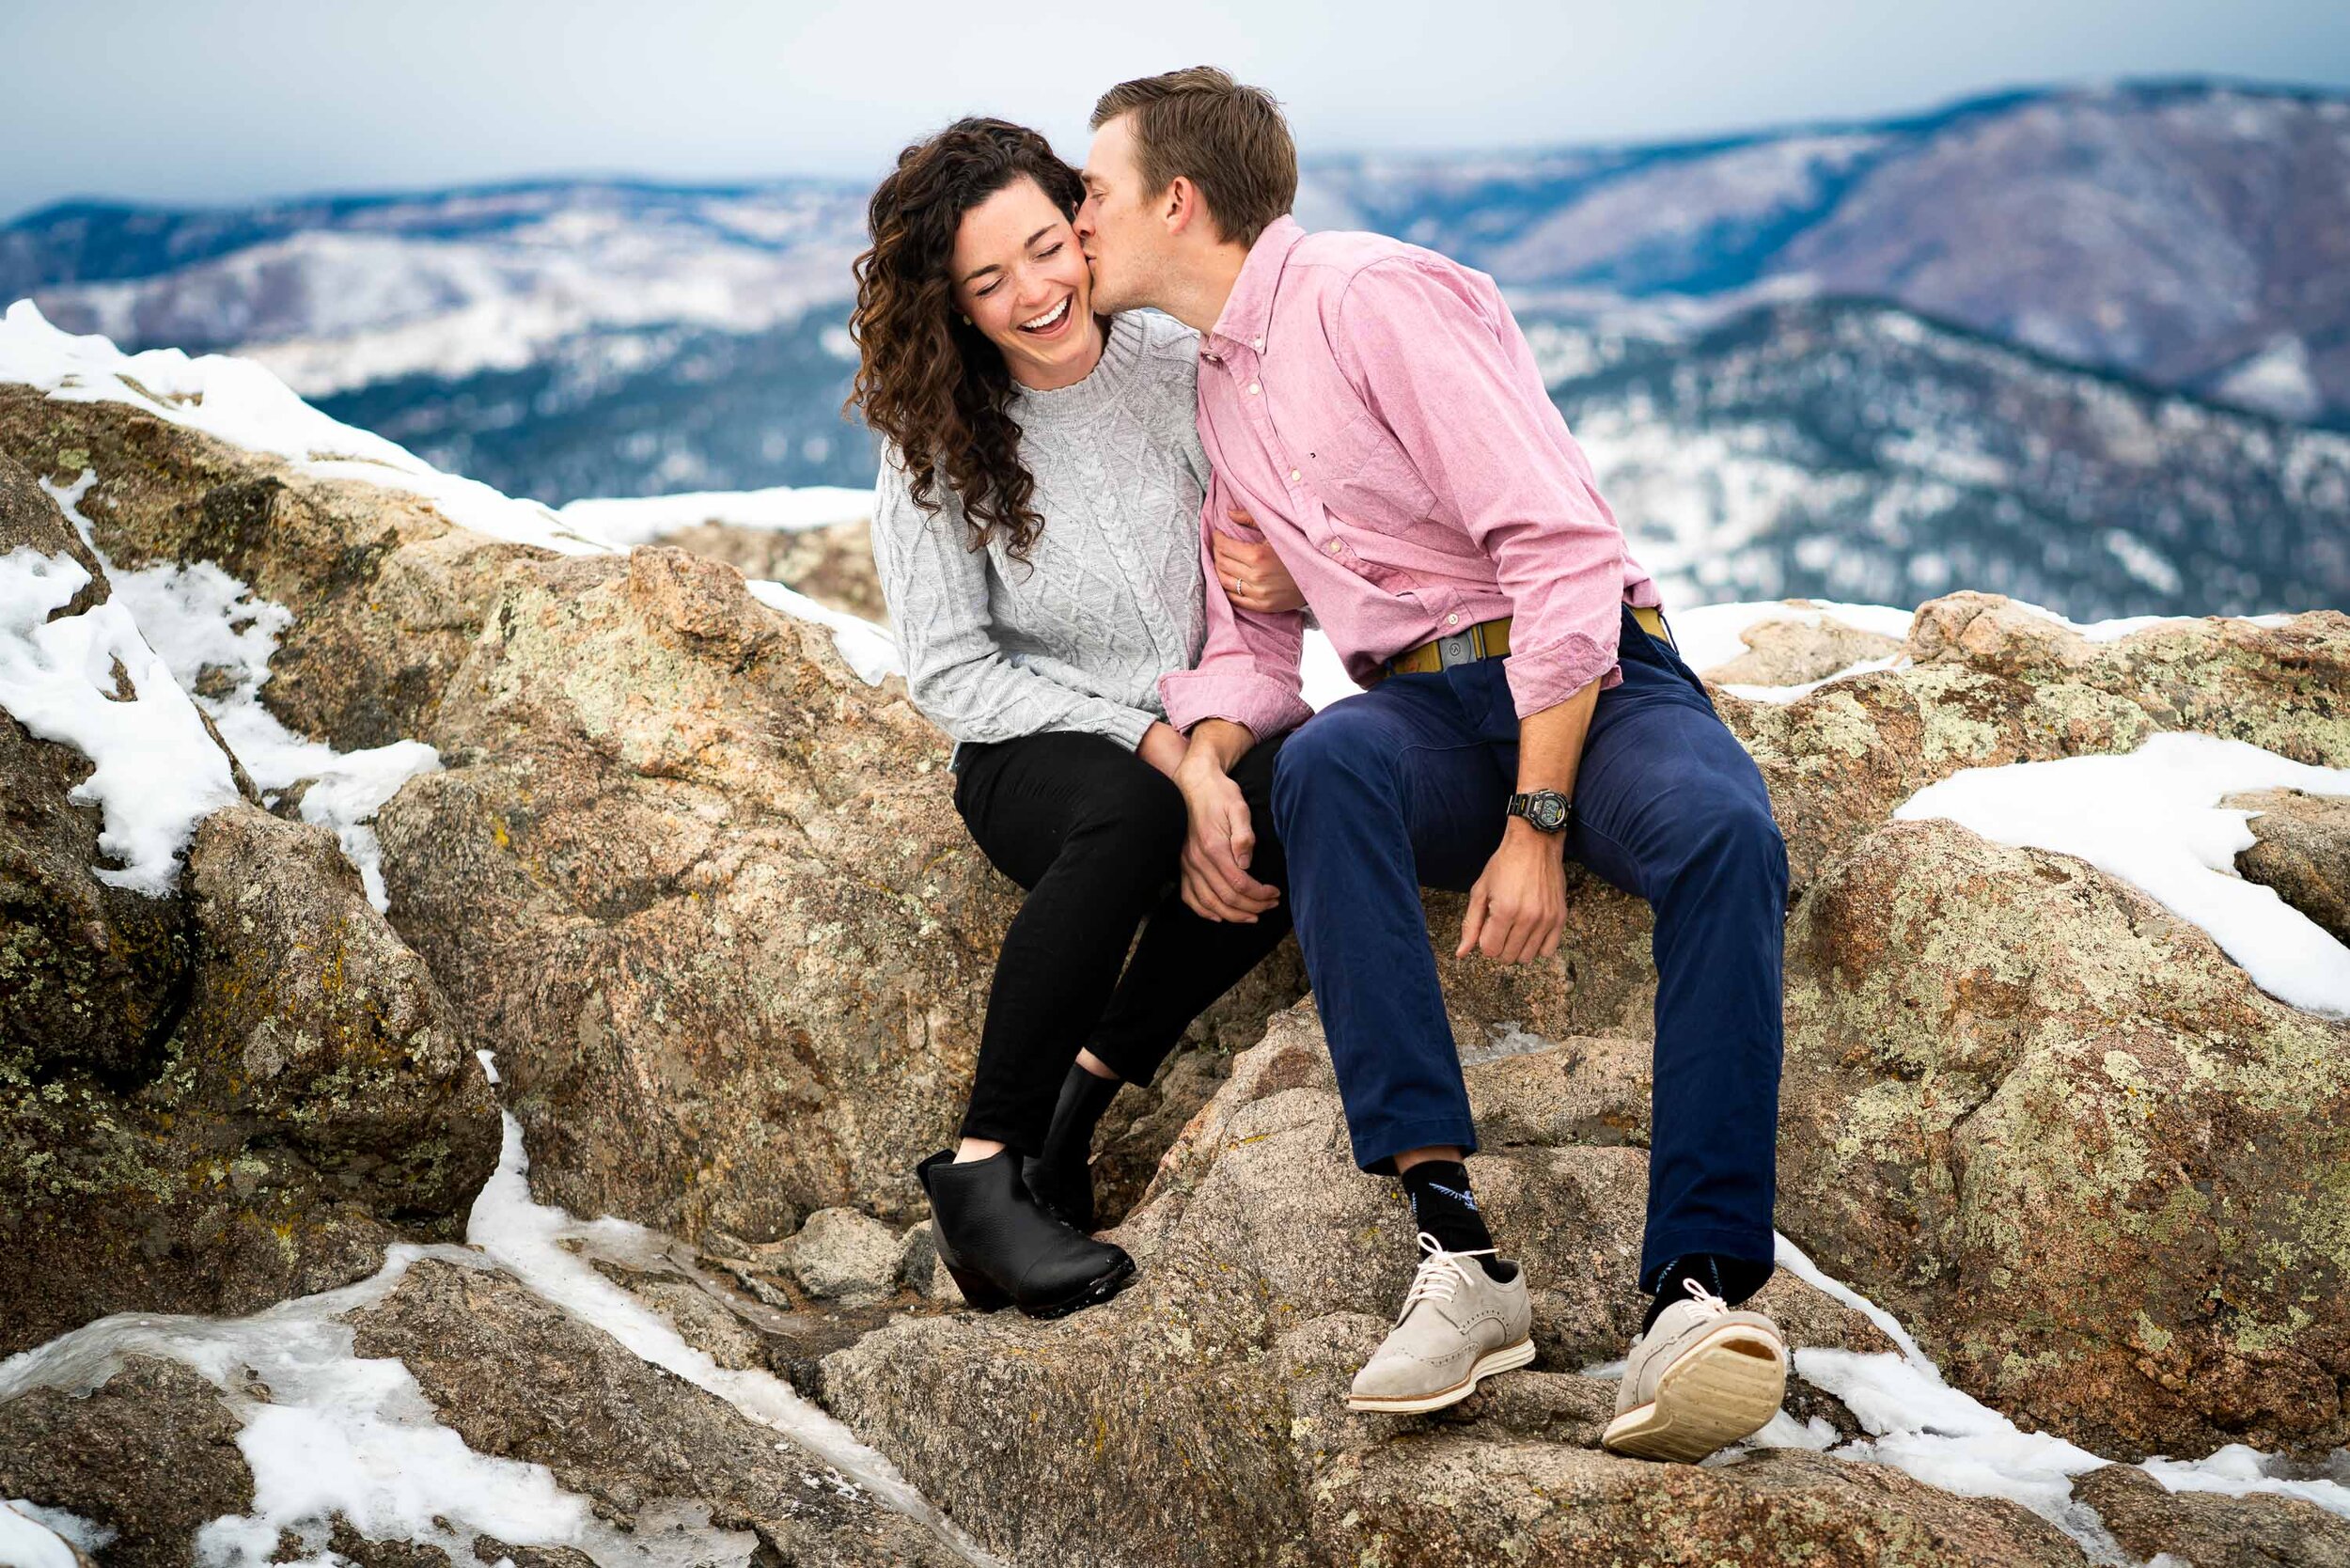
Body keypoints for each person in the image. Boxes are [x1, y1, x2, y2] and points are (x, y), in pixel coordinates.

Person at [1073, 67, 1792, 1460]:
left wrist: (1537, 821)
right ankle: (1458, 1255)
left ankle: (1696, 1296)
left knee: (1725, 839)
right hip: (1419, 712)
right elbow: (1247, 648)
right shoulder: (1221, 388)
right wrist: (1213, 762)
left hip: (1592, 686)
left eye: (1093, 193)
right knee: (1324, 769)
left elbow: (1564, 551)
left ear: (1177, 199)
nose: (1078, 221)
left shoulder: (1369, 294)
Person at [848, 117, 1303, 1319]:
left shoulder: (1182, 367)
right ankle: (986, 1176)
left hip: (1206, 734)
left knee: (1322, 784)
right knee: (1132, 809)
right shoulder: (933, 434)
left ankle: (1071, 1115)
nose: (1035, 293)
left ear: (1083, 221)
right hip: (1035, 760)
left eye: (1047, 247)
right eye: (986, 281)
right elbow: (951, 673)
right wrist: (1161, 754)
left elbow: (1253, 614)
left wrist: (1213, 760)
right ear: (950, 302)